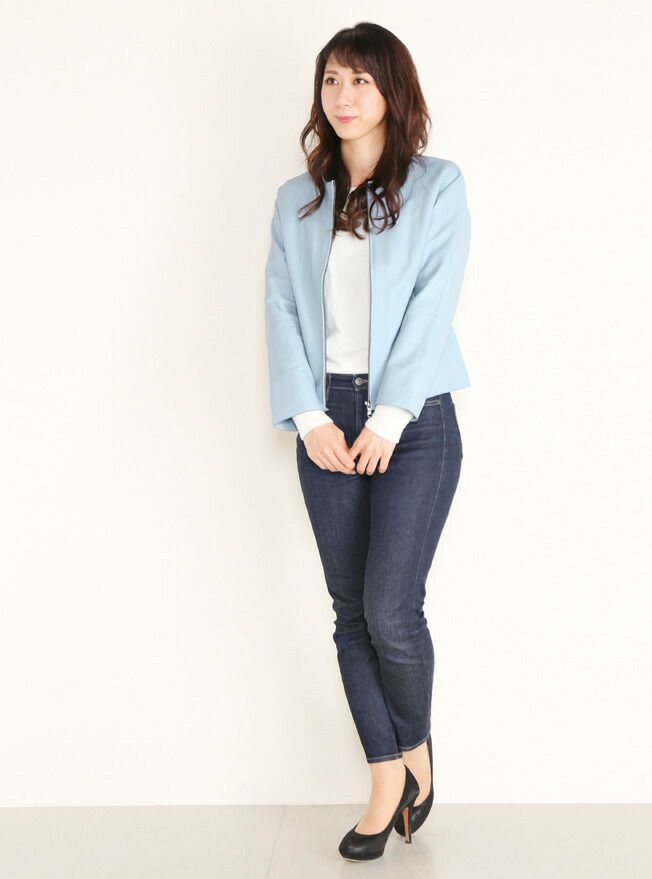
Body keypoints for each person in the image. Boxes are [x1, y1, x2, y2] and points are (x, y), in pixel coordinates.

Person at [264, 22, 471, 861]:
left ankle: (413, 748)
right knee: (350, 612)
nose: (343, 96)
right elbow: (280, 307)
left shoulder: (438, 186)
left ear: (392, 91)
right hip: (324, 414)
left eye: (361, 80)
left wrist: (387, 418)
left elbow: (432, 303)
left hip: (414, 421)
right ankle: (388, 780)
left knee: (392, 609)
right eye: (332, 80)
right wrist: (310, 417)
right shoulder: (297, 199)